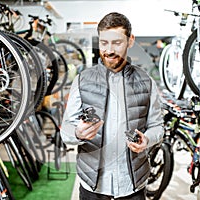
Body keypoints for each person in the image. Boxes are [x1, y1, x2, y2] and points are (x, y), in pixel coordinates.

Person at [60, 12, 163, 200]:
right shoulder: (82, 81)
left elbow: (157, 127)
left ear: (130, 40)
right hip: (93, 186)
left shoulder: (146, 82)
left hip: (132, 185)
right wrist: (77, 133)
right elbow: (65, 129)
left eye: (117, 43)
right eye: (104, 43)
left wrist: (147, 139)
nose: (109, 50)